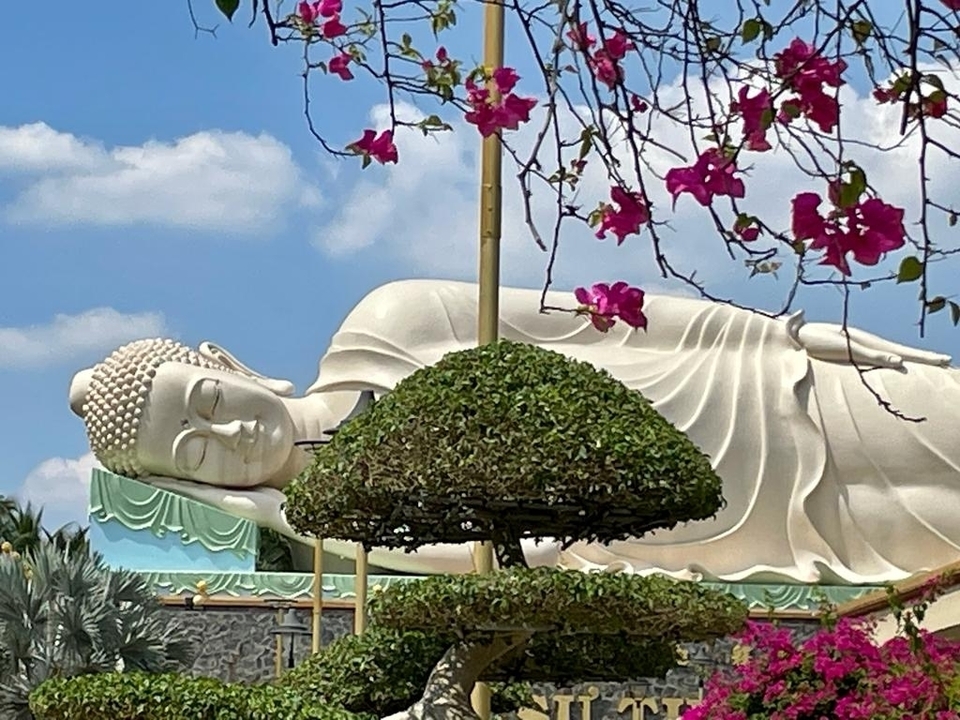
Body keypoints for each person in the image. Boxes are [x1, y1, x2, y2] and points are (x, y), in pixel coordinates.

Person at [71, 279, 957, 583]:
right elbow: (494, 560)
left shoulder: (394, 320)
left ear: (224, 362)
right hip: (698, 534)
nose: (225, 431)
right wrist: (288, 518)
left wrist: (783, 333)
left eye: (207, 400)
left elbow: (609, 319)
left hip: (745, 397)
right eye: (195, 452)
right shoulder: (361, 529)